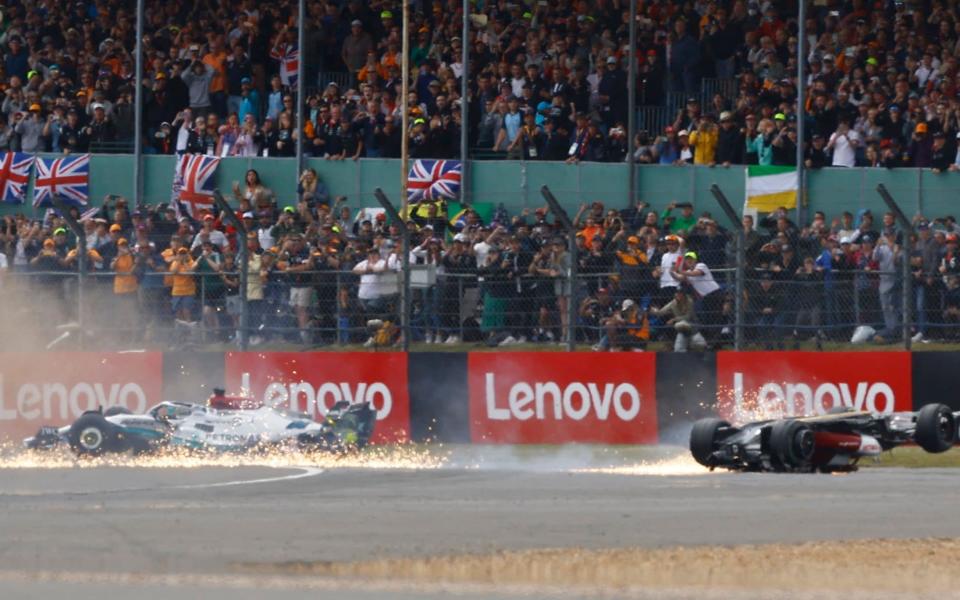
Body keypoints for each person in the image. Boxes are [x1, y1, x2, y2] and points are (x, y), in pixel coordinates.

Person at [672, 251, 723, 347]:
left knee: (716, 318)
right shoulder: (687, 272)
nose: (689, 261)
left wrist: (680, 271)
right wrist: (671, 272)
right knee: (707, 320)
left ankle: (716, 342)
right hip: (706, 298)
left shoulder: (701, 265)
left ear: (695, 260)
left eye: (691, 259)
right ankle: (711, 342)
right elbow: (678, 278)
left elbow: (696, 273)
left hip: (715, 294)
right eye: (687, 259)